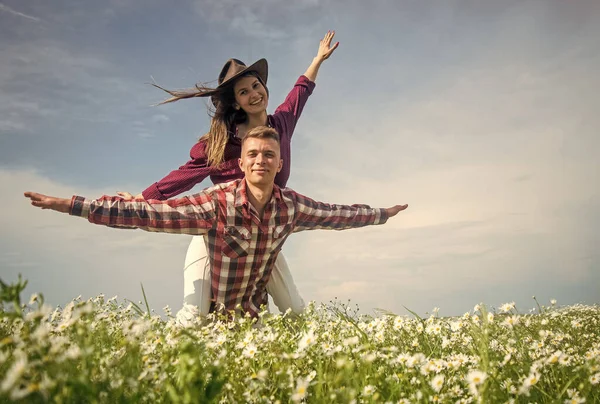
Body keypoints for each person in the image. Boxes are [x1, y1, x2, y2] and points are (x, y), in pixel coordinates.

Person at [25, 126, 408, 318]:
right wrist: (70, 204)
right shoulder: (216, 203)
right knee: (190, 327)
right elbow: (148, 214)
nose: (261, 160)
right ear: (240, 163)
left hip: (249, 316)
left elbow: (336, 214)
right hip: (213, 309)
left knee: (294, 315)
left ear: (280, 163)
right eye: (253, 154)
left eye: (269, 155)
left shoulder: (291, 206)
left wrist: (380, 215)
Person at [116, 31, 340, 317]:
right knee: (195, 313)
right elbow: (186, 174)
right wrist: (142, 198)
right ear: (236, 102)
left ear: (265, 88)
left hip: (262, 235)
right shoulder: (223, 141)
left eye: (256, 86)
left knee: (293, 310)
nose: (254, 94)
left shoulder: (280, 125)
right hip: (215, 230)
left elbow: (301, 91)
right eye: (244, 92)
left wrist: (317, 59)